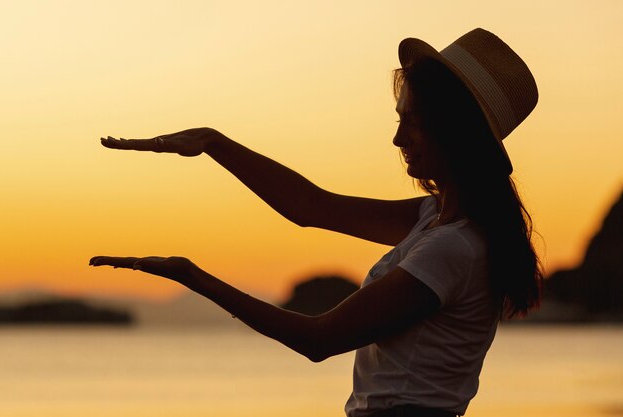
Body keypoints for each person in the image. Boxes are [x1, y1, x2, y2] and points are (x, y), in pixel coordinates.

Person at [90, 28, 543, 417]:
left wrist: (192, 277)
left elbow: (318, 338)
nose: (398, 138)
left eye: (413, 123)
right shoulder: (433, 220)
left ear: (453, 132)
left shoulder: (454, 248)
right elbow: (311, 207)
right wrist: (215, 143)